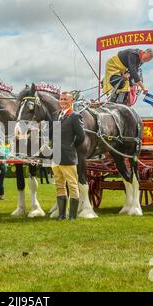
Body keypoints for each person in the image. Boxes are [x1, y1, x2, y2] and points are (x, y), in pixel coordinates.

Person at [51, 92, 85, 220]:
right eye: (61, 99)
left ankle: (72, 216)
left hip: (68, 156)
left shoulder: (75, 116)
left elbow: (81, 136)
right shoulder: (56, 115)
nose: (63, 101)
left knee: (72, 185)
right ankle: (61, 215)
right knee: (59, 185)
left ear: (71, 101)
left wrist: (71, 146)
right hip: (56, 156)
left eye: (65, 99)